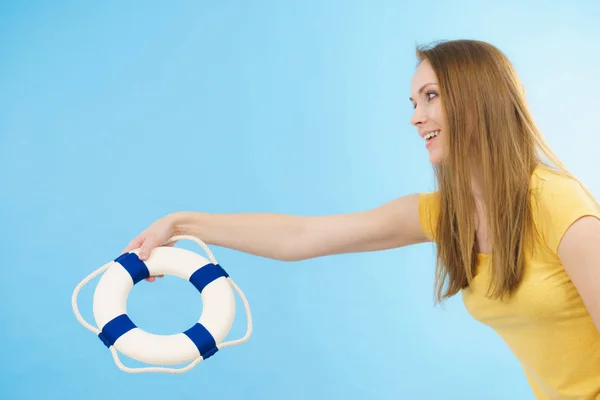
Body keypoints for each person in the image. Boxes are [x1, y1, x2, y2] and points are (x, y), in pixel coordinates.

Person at [122, 39, 600, 399]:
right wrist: (181, 224)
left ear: (479, 99)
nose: (416, 117)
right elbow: (302, 236)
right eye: (414, 103)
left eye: (431, 96)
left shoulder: (559, 206)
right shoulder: (443, 215)